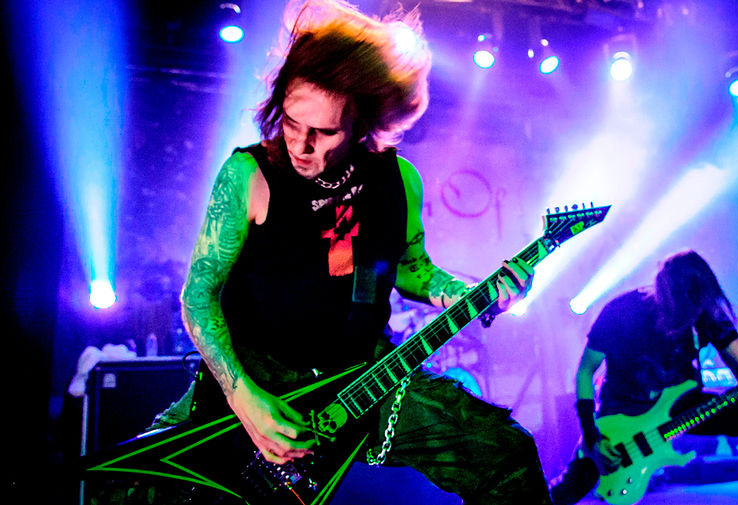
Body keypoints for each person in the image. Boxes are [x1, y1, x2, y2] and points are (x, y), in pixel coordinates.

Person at [122, 1, 552, 504]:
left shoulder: (398, 180)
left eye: (324, 131)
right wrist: (245, 401)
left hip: (362, 375)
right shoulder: (249, 176)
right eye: (291, 121)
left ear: (362, 123)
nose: (301, 144)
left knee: (507, 453)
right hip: (257, 377)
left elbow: (412, 270)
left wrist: (473, 294)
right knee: (126, 489)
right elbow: (198, 297)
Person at [549, 250, 738, 505]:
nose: (691, 313)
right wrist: (592, 435)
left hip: (680, 406)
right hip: (622, 412)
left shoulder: (706, 313)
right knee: (575, 484)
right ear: (664, 292)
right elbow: (585, 371)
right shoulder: (623, 311)